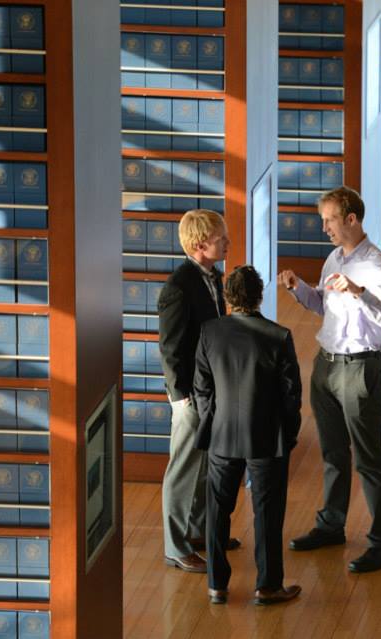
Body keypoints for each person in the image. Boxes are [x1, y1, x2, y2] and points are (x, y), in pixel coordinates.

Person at [278, 186, 381, 574]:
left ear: (351, 219)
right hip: (327, 365)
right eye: (323, 221)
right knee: (332, 452)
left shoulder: (377, 265)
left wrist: (360, 292)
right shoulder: (333, 258)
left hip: (360, 368)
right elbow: (324, 305)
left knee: (368, 458)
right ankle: (331, 525)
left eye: (329, 220)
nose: (324, 228)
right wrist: (299, 290)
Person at [194, 266, 302, 606]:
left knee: (217, 511)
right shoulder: (278, 336)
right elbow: (291, 396)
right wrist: (289, 435)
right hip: (267, 438)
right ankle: (268, 586)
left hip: (222, 435)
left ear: (227, 297)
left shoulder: (210, 332)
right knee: (267, 513)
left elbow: (202, 388)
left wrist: (212, 423)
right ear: (260, 296)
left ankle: (217, 585)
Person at [157, 209, 238, 573]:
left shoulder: (212, 276)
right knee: (183, 469)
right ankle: (176, 547)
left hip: (210, 387)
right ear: (199, 245)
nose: (228, 243)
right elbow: (171, 348)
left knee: (205, 462)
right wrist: (181, 399)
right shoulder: (178, 288)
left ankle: (199, 531)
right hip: (190, 395)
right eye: (221, 239)